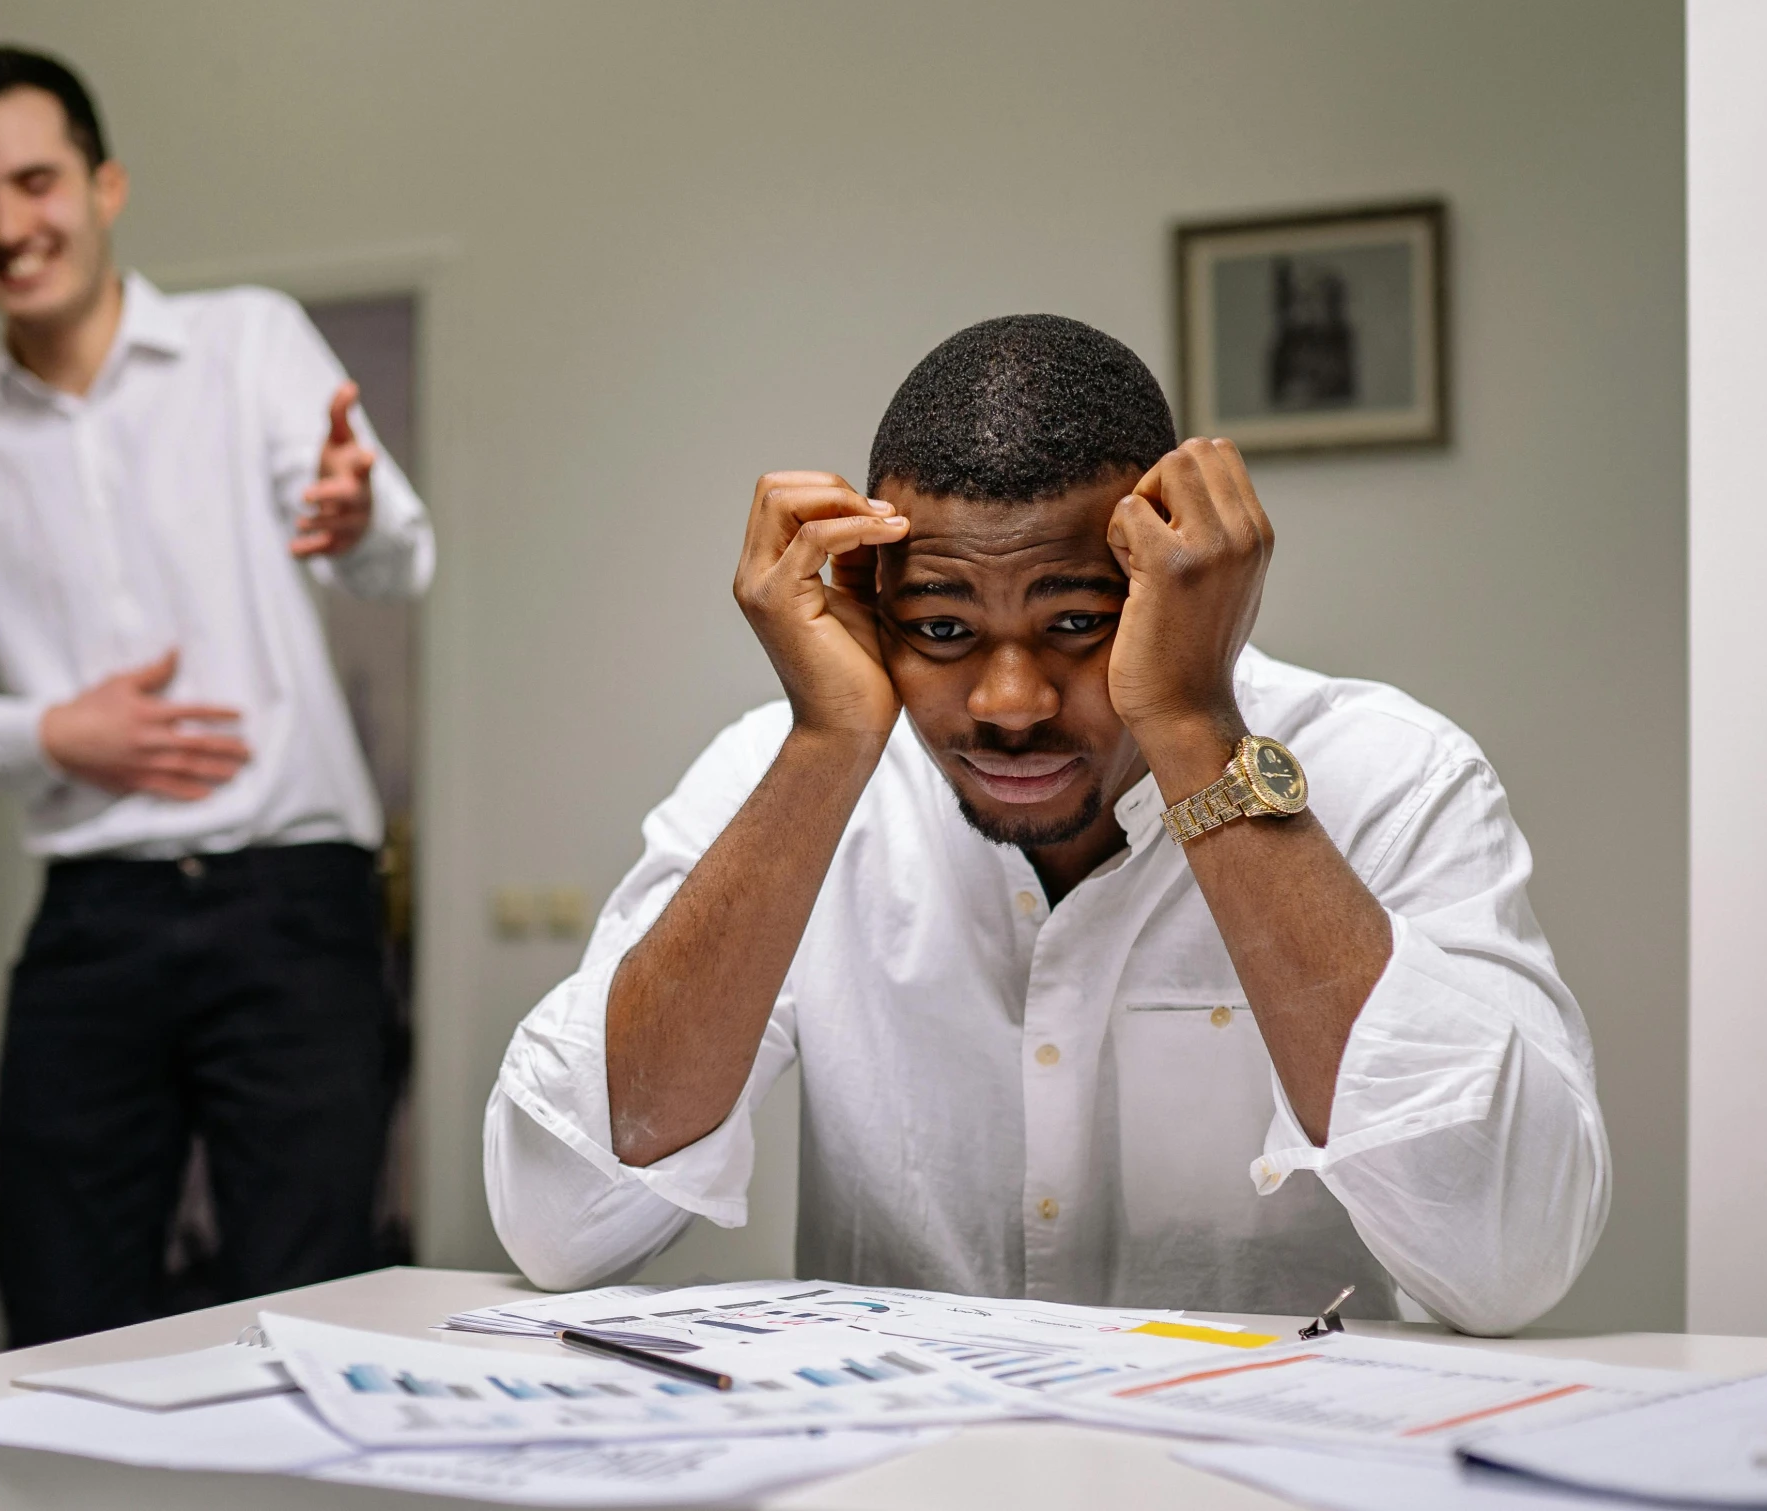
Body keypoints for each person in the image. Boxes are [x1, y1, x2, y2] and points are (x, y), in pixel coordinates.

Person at [486, 316, 1605, 1335]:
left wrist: (1190, 724)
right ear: (870, 599)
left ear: (1175, 579)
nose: (1008, 702)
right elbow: (559, 1222)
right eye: (940, 626)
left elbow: (1506, 1259)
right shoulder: (789, 775)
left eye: (1076, 622)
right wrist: (826, 750)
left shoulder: (1392, 776)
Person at [0, 46, 436, 1345]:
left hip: (294, 903)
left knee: (315, 1304)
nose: (11, 226)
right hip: (94, 920)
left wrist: (356, 516)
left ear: (104, 182)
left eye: (36, 181)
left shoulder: (249, 343)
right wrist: (50, 733)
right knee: (57, 1299)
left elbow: (403, 558)